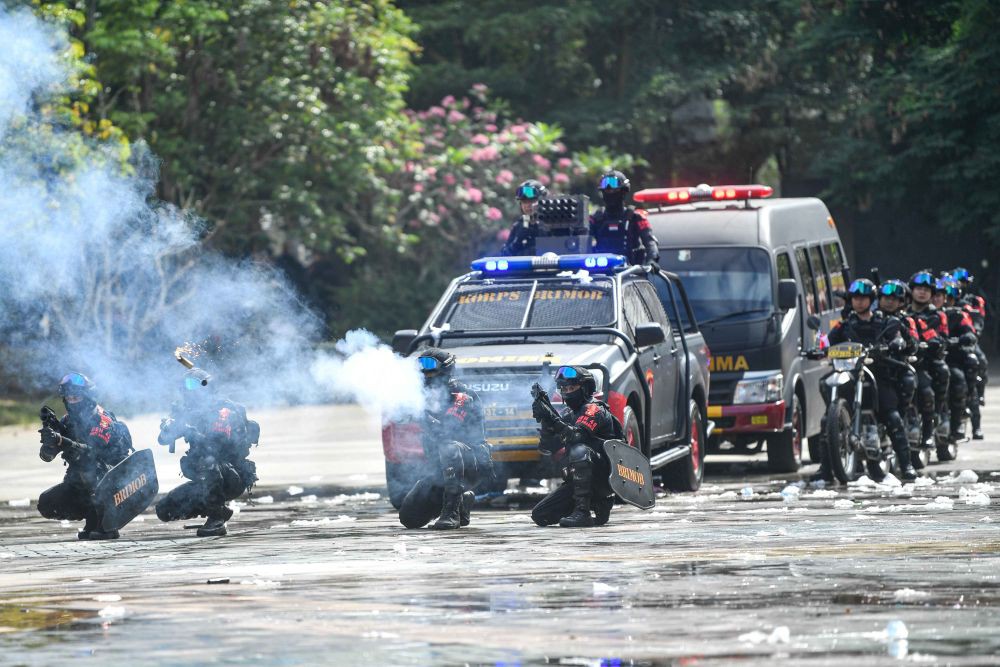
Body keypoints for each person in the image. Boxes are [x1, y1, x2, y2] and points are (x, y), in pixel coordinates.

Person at [817, 278, 917, 481]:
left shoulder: (884, 322)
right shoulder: (844, 326)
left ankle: (906, 465)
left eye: (863, 298)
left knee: (892, 417)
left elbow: (898, 336)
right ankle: (825, 469)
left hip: (878, 376)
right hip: (851, 376)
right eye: (855, 298)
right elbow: (826, 342)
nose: (859, 302)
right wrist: (817, 348)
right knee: (828, 419)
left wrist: (897, 342)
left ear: (871, 300)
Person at [155, 369, 259, 537]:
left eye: (191, 385)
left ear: (206, 387)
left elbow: (218, 447)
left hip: (231, 476)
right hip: (205, 482)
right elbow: (163, 440)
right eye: (185, 385)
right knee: (164, 510)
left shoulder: (224, 412)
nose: (187, 390)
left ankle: (217, 517)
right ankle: (216, 509)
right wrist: (170, 426)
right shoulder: (189, 412)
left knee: (207, 459)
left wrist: (191, 431)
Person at [399, 348, 490, 530]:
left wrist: (422, 415)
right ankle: (463, 501)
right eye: (421, 367)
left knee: (450, 448)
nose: (425, 374)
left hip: (472, 462)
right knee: (409, 518)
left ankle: (452, 513)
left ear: (446, 370)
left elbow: (447, 430)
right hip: (441, 471)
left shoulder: (462, 396)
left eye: (430, 367)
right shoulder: (424, 397)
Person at [37, 373, 133, 540]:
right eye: (69, 397)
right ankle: (92, 518)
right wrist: (50, 442)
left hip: (114, 483)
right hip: (80, 484)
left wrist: (62, 440)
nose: (72, 401)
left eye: (76, 396)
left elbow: (91, 452)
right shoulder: (67, 421)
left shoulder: (102, 420)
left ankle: (107, 524)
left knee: (88, 467)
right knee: (47, 503)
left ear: (87, 397)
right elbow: (46, 457)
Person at [530, 366, 621, 527]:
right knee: (540, 515)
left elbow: (577, 436)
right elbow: (547, 446)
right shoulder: (569, 414)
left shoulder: (594, 409)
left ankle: (583, 512)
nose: (567, 392)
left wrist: (553, 418)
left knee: (580, 450)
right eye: (564, 388)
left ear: (585, 388)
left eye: (572, 388)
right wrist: (545, 416)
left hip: (604, 476)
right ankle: (591, 506)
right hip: (578, 480)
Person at [877, 279, 927, 448]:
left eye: (895, 299)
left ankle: (907, 418)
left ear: (901, 302)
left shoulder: (907, 321)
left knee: (909, 382)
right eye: (886, 298)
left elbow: (914, 342)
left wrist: (904, 343)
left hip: (897, 366)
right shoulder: (872, 319)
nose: (889, 302)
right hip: (873, 367)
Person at [908, 271, 957, 441]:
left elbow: (941, 337)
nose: (922, 292)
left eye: (927, 290)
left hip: (927, 360)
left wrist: (936, 342)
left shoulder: (937, 315)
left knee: (937, 378)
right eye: (919, 288)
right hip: (903, 360)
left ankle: (936, 418)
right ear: (911, 290)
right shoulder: (902, 314)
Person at [588, 170, 660, 265]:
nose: (610, 192)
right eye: (606, 190)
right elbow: (580, 239)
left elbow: (650, 241)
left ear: (623, 191)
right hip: (600, 273)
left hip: (631, 272)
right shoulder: (595, 218)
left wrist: (652, 260)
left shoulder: (636, 217)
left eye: (614, 189)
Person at [942, 280, 984, 440]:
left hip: (953, 357)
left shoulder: (960, 314)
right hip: (927, 358)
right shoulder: (925, 315)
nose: (942, 300)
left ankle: (965, 423)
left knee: (971, 369)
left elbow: (971, 331)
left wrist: (960, 340)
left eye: (945, 297)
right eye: (938, 296)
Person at [951, 267, 988, 406]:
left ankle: (979, 392)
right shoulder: (946, 297)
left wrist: (974, 333)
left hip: (968, 337)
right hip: (950, 338)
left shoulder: (974, 301)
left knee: (980, 360)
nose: (960, 284)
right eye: (957, 281)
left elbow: (978, 320)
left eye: (963, 282)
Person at [500, 180, 548, 256]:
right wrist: (518, 241)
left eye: (532, 200)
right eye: (524, 201)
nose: (527, 205)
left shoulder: (553, 223)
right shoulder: (519, 225)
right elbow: (504, 255)